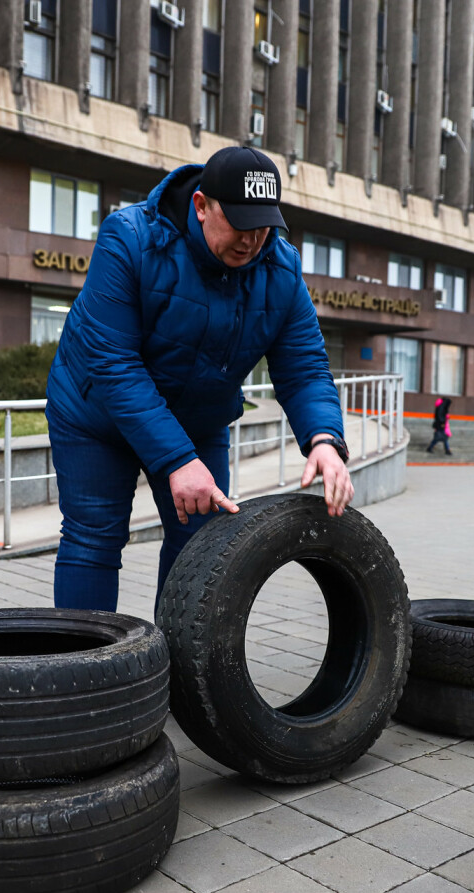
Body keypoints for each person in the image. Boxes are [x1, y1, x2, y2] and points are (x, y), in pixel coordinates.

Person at [45, 146, 353, 612]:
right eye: (240, 223)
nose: (252, 240)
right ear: (202, 206)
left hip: (198, 418)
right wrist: (175, 461)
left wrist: (325, 439)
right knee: (95, 537)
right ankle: (82, 673)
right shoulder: (128, 239)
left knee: (201, 546)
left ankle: (179, 672)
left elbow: (304, 366)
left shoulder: (282, 270)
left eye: (264, 224)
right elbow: (113, 362)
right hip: (95, 414)